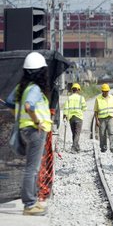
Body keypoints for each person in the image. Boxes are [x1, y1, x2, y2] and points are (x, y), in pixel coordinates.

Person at [5, 52, 52, 216]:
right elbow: (28, 106)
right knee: (32, 168)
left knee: (30, 167)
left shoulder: (21, 87)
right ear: (41, 72)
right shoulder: (35, 89)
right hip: (34, 131)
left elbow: (11, 102)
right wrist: (37, 121)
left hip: (24, 130)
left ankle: (32, 202)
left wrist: (19, 118)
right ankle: (30, 204)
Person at [63, 83, 87, 153]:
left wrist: (65, 116)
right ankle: (73, 148)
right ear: (78, 90)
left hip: (71, 118)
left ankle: (77, 147)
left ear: (72, 90)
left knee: (74, 133)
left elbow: (66, 108)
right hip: (79, 117)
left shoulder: (69, 98)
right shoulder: (81, 98)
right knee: (77, 134)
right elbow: (84, 108)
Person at [94, 83, 113, 153]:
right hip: (102, 119)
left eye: (107, 91)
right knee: (102, 134)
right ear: (102, 91)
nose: (106, 92)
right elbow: (95, 111)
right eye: (105, 91)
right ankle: (103, 147)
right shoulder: (98, 99)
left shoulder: (112, 98)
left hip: (110, 117)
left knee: (112, 132)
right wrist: (96, 120)